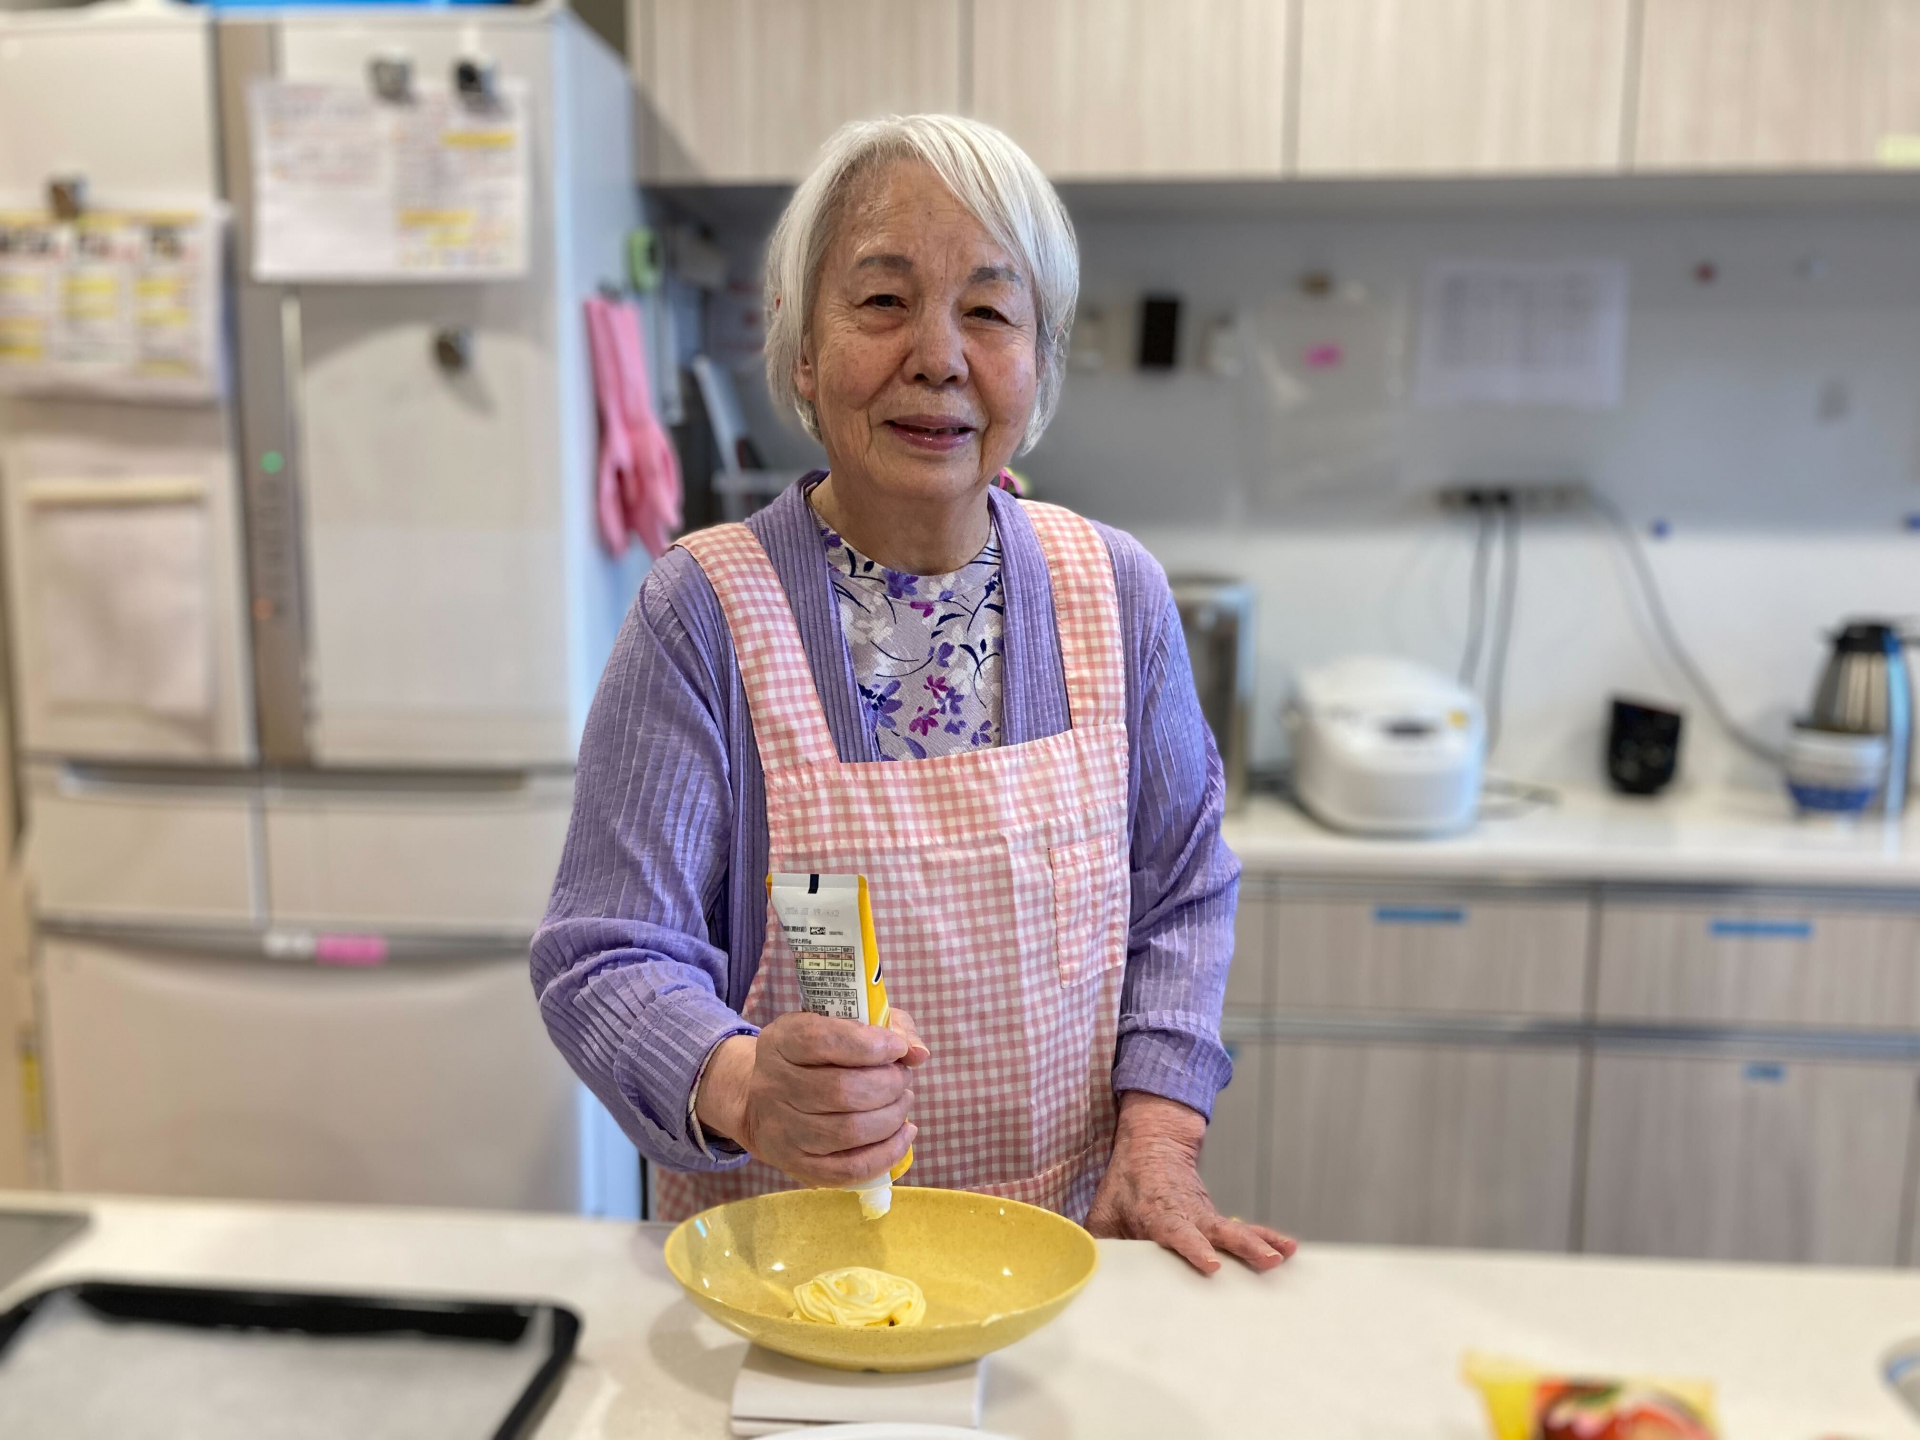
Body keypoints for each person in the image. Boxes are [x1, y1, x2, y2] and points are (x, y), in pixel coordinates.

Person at [532, 114, 1293, 1275]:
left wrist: (1159, 1133)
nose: (938, 356)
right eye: (883, 301)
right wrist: (741, 1084)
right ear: (802, 350)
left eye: (989, 312)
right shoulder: (702, 613)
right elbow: (604, 955)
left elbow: (1181, 891)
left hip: (1059, 1264)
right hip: (784, 1275)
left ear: (1038, 362)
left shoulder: (1116, 593)